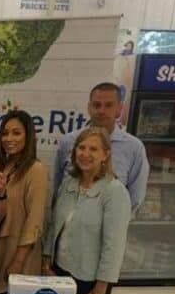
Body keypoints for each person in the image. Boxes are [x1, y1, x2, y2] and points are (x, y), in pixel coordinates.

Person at [43, 127, 131, 294]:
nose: (85, 154)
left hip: (88, 282)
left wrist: (100, 290)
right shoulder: (69, 183)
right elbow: (54, 223)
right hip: (59, 272)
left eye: (93, 149)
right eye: (81, 148)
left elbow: (113, 246)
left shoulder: (114, 192)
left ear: (105, 155)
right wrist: (46, 259)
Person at [52, 82, 149, 212]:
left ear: (119, 109)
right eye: (97, 105)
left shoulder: (134, 148)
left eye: (108, 105)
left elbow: (135, 198)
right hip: (68, 220)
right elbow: (58, 188)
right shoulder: (69, 141)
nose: (102, 111)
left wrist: (114, 219)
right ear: (89, 107)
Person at [0, 110, 49, 294]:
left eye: (16, 133)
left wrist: (18, 262)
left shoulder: (36, 170)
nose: (9, 138)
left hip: (20, 253)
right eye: (5, 133)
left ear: (28, 137)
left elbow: (35, 220)